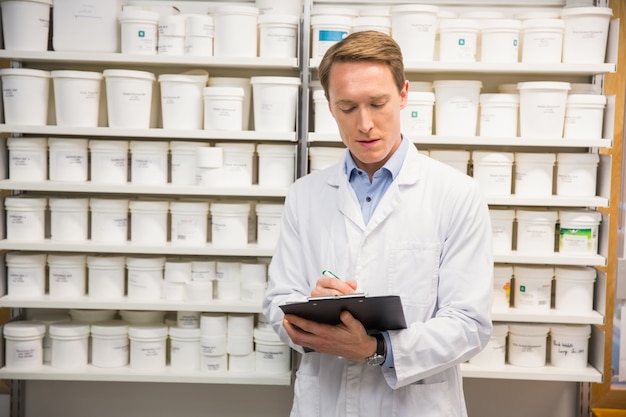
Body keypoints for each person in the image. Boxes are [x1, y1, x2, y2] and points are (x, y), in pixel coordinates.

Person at [262, 30, 493, 417]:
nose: (365, 124)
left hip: (415, 405)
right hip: (325, 401)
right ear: (330, 107)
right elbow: (275, 303)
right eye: (348, 107)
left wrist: (376, 349)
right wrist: (309, 312)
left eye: (377, 103)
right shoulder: (305, 195)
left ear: (403, 95)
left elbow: (469, 324)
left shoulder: (457, 194)